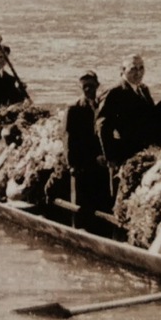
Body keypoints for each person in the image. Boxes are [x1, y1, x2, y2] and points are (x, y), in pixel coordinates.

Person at [94, 54, 159, 179]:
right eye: (133, 69)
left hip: (143, 152)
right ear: (123, 70)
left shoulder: (143, 90)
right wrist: (111, 157)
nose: (138, 73)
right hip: (124, 154)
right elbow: (102, 126)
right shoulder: (115, 92)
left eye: (141, 68)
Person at [63, 70, 112, 233]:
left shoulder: (102, 106)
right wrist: (72, 165)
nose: (88, 90)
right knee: (80, 205)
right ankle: (78, 232)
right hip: (82, 164)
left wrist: (104, 156)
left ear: (97, 86)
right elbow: (69, 139)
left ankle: (100, 232)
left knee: (101, 201)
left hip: (100, 164)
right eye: (84, 86)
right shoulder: (74, 108)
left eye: (91, 86)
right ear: (80, 87)